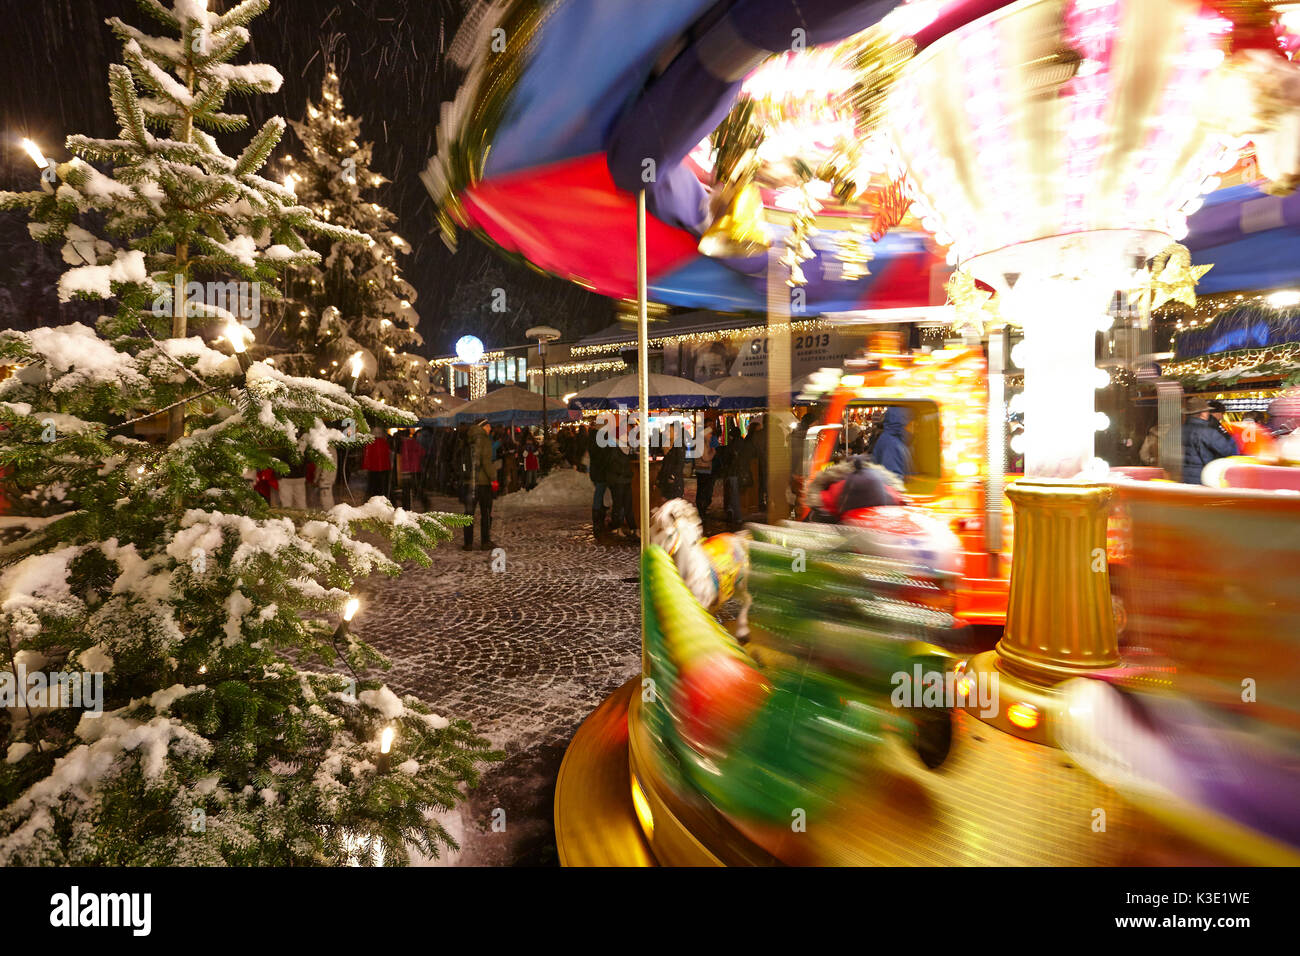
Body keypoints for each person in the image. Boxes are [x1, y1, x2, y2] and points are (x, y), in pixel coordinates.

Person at [1181, 397, 1237, 484]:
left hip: (1182, 477)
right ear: (1203, 414)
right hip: (1203, 478)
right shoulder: (1208, 432)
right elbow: (1228, 451)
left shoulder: (1179, 430)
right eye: (1207, 411)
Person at [463, 418, 498, 551]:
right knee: (486, 512)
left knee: (468, 513)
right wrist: (493, 478)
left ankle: (468, 543)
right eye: (488, 426)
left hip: (469, 481)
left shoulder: (469, 438)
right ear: (483, 426)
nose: (490, 428)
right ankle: (485, 541)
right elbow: (486, 462)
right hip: (483, 482)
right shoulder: (484, 440)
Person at [871, 406, 912, 482]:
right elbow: (893, 480)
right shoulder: (892, 445)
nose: (914, 428)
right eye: (912, 423)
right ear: (903, 424)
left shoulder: (892, 440)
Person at [588, 416, 610, 538]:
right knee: (600, 493)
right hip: (601, 471)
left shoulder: (593, 437)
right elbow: (603, 455)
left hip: (596, 471)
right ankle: (598, 519)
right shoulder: (601, 438)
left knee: (600, 494)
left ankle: (599, 518)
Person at [694, 416, 717, 520]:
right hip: (703, 470)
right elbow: (706, 458)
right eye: (710, 433)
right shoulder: (702, 443)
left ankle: (702, 510)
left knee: (703, 491)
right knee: (704, 492)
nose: (711, 436)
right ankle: (701, 511)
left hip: (703, 470)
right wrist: (713, 452)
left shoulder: (703, 442)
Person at [657, 424, 685, 501]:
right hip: (666, 479)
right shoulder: (667, 444)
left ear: (676, 432)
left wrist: (672, 476)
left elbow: (680, 463)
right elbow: (665, 463)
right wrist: (659, 478)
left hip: (674, 481)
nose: (666, 432)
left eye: (669, 431)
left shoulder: (679, 445)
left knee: (673, 504)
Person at [362, 429, 392, 499]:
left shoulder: (370, 443)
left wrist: (366, 466)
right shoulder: (384, 442)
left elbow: (367, 456)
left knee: (373, 487)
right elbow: (387, 455)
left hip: (373, 469)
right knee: (383, 487)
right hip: (384, 469)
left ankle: (374, 499)